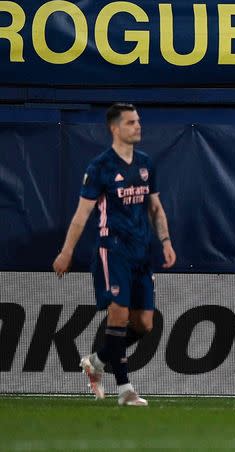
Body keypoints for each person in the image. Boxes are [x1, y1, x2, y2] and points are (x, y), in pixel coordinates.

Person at [52, 103, 176, 407]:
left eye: (138, 121)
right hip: (113, 250)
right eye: (131, 122)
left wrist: (166, 240)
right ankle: (125, 389)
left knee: (145, 324)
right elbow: (82, 216)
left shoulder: (146, 163)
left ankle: (96, 361)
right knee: (118, 314)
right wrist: (66, 252)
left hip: (141, 252)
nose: (138, 126)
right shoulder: (100, 167)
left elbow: (155, 207)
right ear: (114, 128)